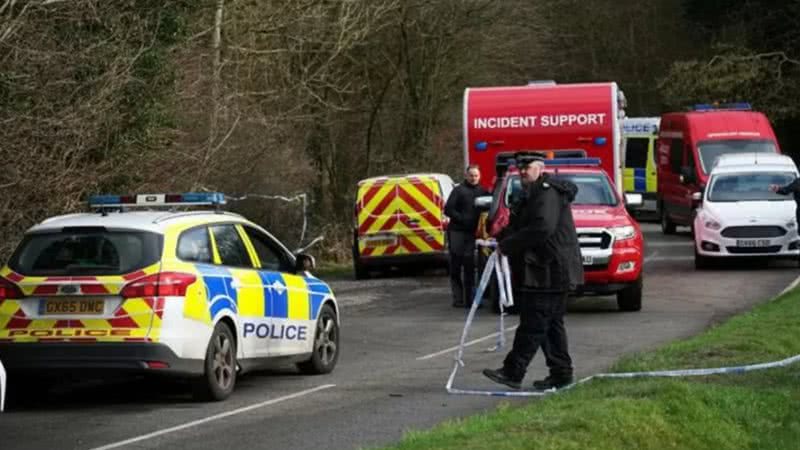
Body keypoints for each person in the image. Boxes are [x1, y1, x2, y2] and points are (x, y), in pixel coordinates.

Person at [482, 155, 583, 390]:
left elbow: (542, 228)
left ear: (541, 168)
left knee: (534, 323)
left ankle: (513, 371)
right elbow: (523, 224)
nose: (523, 172)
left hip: (549, 270)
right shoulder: (533, 193)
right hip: (544, 269)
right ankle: (561, 373)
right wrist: (502, 237)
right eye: (520, 168)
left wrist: (509, 245)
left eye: (527, 168)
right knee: (550, 325)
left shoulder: (546, 193)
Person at [444, 165, 490, 307]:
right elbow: (448, 209)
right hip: (457, 232)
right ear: (466, 175)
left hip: (472, 234)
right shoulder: (458, 191)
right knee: (456, 266)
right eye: (471, 175)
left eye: (476, 175)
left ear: (479, 176)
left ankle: (470, 300)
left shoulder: (483, 191)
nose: (473, 178)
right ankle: (458, 299)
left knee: (470, 266)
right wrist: (462, 218)